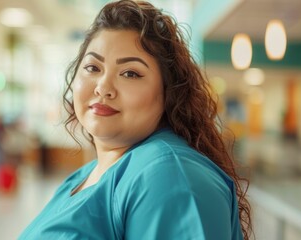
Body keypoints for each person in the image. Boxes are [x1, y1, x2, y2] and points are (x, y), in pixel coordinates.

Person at [18, 0, 252, 239]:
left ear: (169, 92)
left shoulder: (168, 175)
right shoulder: (84, 176)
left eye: (130, 73)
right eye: (92, 67)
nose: (103, 88)